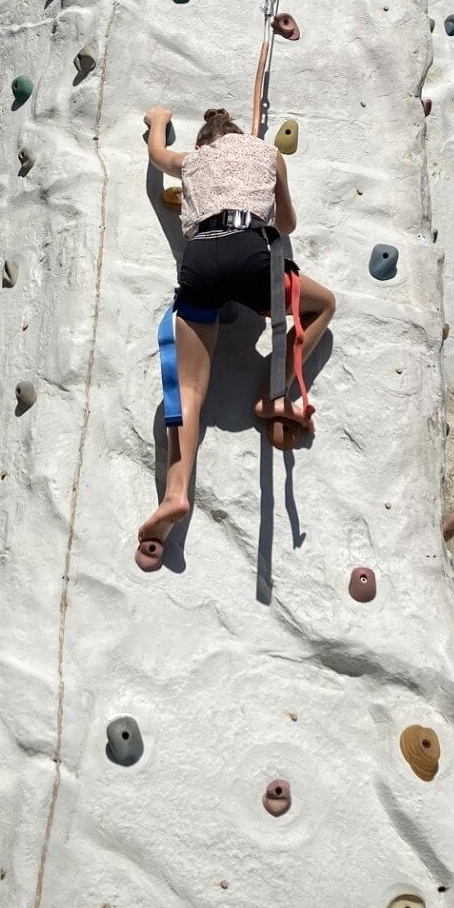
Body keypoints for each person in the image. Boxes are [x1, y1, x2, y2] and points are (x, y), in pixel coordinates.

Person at [139, 99, 334, 563]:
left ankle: (176, 493)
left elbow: (156, 157)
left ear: (203, 141)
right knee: (324, 304)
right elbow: (286, 223)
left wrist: (159, 121)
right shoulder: (267, 152)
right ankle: (273, 390)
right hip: (252, 254)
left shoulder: (192, 161)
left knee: (188, 385)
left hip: (202, 256)